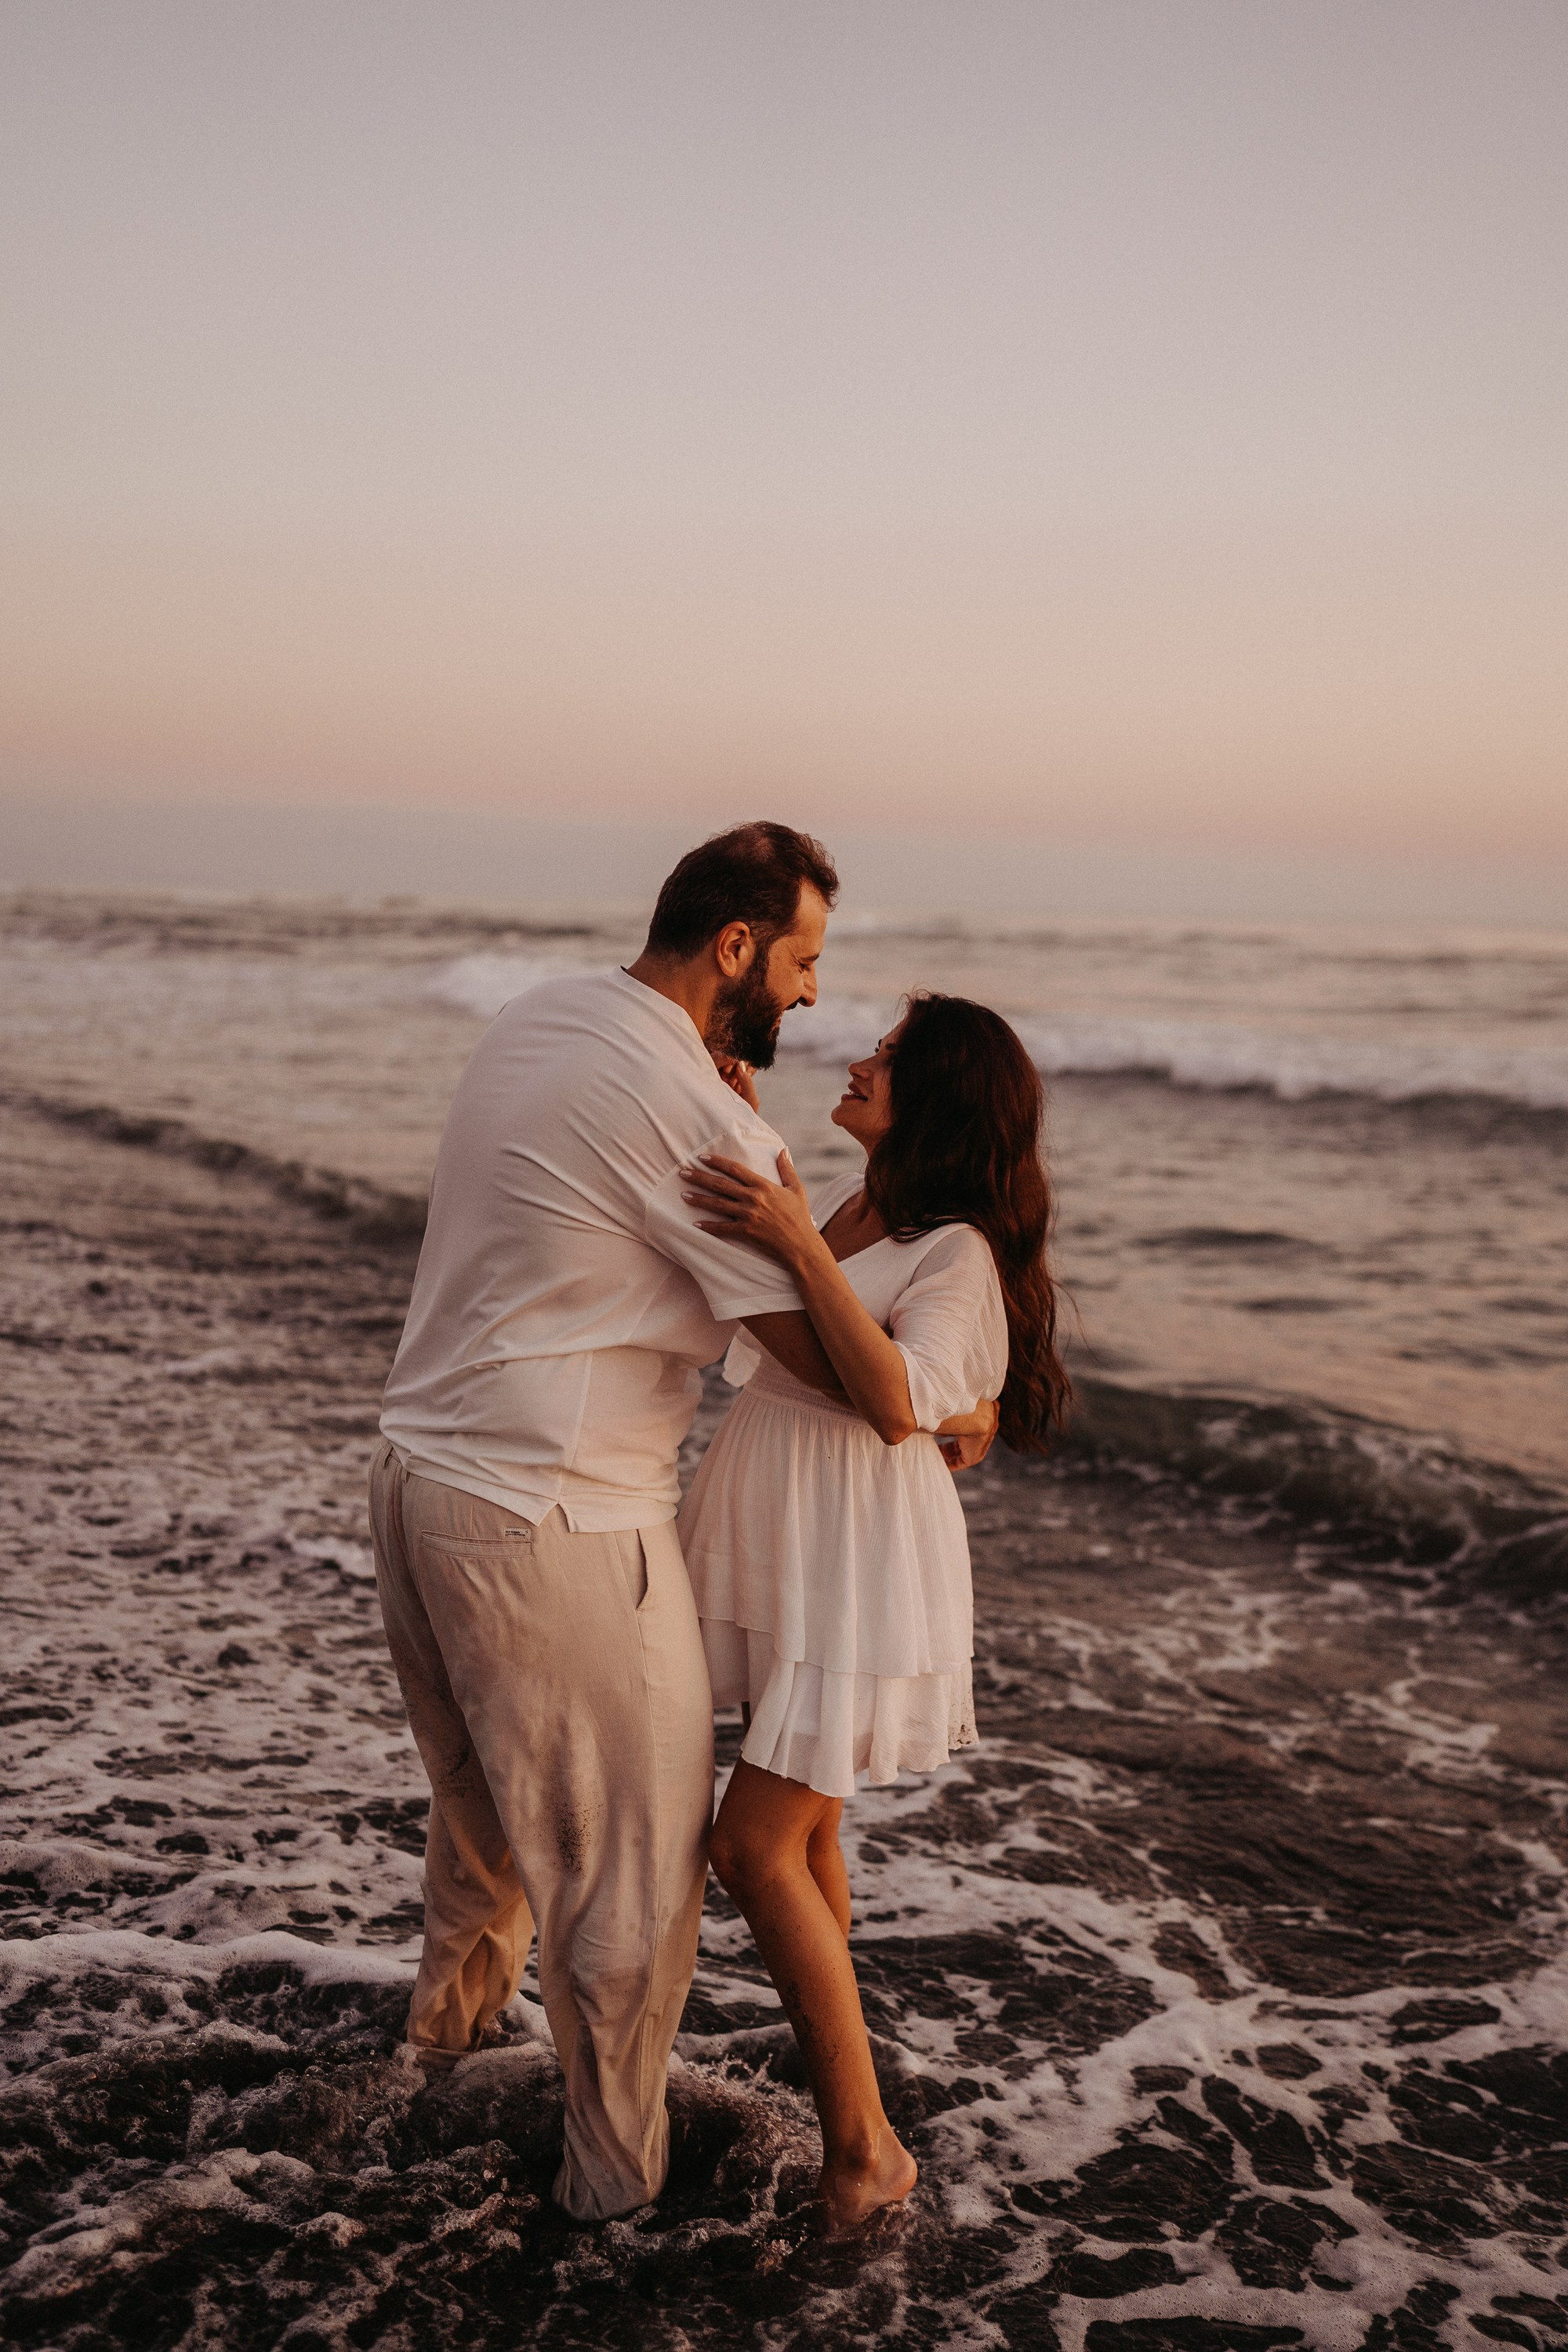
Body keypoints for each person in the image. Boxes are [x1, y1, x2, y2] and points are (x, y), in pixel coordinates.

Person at [368, 820, 859, 2223]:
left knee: (485, 1838)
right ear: (737, 947)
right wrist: (802, 1228)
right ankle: (610, 2221)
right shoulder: (707, 1122)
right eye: (807, 960)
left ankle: (428, 2090)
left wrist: (730, 1095)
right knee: (631, 1901)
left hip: (416, 1486)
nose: (816, 994)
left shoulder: (545, 1016)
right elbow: (819, 1366)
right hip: (552, 1525)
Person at [675, 993, 1071, 2233]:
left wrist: (796, 1239)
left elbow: (907, 1399)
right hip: (791, 1533)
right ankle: (838, 2093)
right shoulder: (859, 1209)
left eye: (887, 1059)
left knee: (748, 1848)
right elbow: (811, 1332)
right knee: (807, 1845)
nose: (855, 1059)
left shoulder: (957, 1249)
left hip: (852, 1559)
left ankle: (865, 2151)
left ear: (939, 1096)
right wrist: (752, 1149)